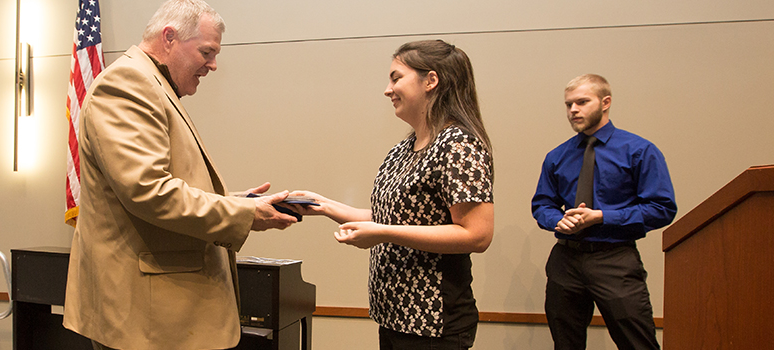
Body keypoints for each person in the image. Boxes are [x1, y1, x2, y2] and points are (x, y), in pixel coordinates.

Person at [62, 1, 299, 349]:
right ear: (169, 37)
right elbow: (149, 192)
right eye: (207, 51)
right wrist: (245, 214)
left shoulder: (151, 83)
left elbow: (161, 184)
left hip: (159, 318)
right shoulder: (128, 84)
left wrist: (235, 201)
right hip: (148, 321)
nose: (213, 65)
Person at [288, 40, 495, 350]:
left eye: (396, 78)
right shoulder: (405, 148)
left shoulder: (458, 145)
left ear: (431, 81)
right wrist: (324, 205)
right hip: (394, 317)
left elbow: (477, 234)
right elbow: (392, 218)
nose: (388, 89)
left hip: (433, 324)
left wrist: (383, 233)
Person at [531, 74, 677, 350]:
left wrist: (601, 217)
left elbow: (661, 208)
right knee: (565, 344)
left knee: (638, 343)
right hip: (566, 259)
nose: (573, 110)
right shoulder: (557, 156)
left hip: (615, 259)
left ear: (605, 102)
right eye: (568, 104)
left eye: (582, 102)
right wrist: (559, 220)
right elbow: (541, 204)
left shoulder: (639, 151)